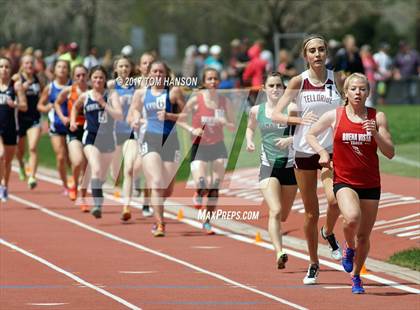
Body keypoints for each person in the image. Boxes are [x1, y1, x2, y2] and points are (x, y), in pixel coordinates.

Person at [306, 73, 394, 294]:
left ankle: (356, 277)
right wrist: (322, 154)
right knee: (352, 218)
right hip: (344, 180)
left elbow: (390, 152)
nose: (358, 93)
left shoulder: (377, 117)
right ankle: (349, 248)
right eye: (353, 88)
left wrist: (375, 134)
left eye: (362, 89)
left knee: (364, 235)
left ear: (368, 92)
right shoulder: (335, 115)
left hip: (371, 183)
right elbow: (311, 134)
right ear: (346, 92)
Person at [272, 34, 343, 285]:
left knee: (335, 201)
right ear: (305, 56)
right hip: (304, 151)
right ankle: (314, 263)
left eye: (321, 49)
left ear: (326, 53)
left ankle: (329, 232)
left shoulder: (337, 79)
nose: (317, 54)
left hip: (331, 150)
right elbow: (276, 113)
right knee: (311, 213)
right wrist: (299, 120)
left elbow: (347, 109)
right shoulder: (298, 82)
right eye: (312, 51)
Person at [128, 60, 186, 237]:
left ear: (166, 74)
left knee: (166, 189)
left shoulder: (173, 92)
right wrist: (136, 118)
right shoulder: (141, 93)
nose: (158, 75)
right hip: (150, 139)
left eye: (161, 72)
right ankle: (159, 223)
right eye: (154, 72)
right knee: (156, 183)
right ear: (149, 74)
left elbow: (186, 115)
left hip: (170, 141)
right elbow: (133, 111)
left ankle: (156, 204)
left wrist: (169, 115)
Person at [246, 72, 298, 268]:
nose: (276, 89)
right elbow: (250, 128)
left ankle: (279, 245)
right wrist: (250, 141)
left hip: (290, 167)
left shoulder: (292, 109)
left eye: (279, 86)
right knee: (275, 211)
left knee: (283, 214)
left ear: (284, 89)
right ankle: (279, 252)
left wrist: (290, 139)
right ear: (264, 89)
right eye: (272, 86)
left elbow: (306, 131)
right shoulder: (256, 110)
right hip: (268, 167)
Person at [181, 68, 235, 234]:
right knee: (202, 183)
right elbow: (180, 119)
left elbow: (233, 127)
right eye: (209, 79)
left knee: (215, 187)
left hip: (218, 146)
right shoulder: (195, 100)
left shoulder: (225, 102)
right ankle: (198, 191)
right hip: (200, 146)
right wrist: (192, 130)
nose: (213, 82)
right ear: (204, 82)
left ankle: (207, 221)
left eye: (215, 79)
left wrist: (225, 122)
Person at [70, 66, 123, 218]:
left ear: (105, 79)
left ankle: (98, 194)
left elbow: (119, 116)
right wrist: (73, 121)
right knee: (96, 169)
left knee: (103, 176)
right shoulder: (86, 96)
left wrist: (104, 104)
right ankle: (97, 205)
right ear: (90, 79)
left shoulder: (112, 96)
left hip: (108, 139)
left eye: (101, 77)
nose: (98, 80)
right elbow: (74, 107)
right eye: (95, 77)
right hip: (91, 137)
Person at [55, 64, 90, 211]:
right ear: (73, 77)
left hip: (90, 131)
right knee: (77, 162)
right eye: (78, 76)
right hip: (74, 130)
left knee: (87, 167)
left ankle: (82, 198)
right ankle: (74, 184)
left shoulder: (93, 91)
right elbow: (57, 103)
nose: (81, 78)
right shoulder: (69, 90)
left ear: (87, 76)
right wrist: (63, 118)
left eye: (83, 75)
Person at [108, 56, 138, 221]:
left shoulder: (137, 85)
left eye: (127, 66)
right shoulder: (110, 86)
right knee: (115, 174)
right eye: (121, 66)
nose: (124, 69)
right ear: (116, 69)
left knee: (129, 169)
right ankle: (116, 181)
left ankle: (126, 206)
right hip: (114, 133)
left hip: (130, 132)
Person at [37, 59, 72, 196]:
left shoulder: (73, 86)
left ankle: (74, 181)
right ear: (54, 70)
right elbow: (40, 105)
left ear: (68, 70)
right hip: (56, 126)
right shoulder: (50, 87)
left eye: (64, 67)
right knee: (61, 156)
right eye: (59, 67)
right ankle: (65, 185)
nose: (62, 69)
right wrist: (47, 107)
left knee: (72, 159)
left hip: (71, 126)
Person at [12, 55, 43, 189]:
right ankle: (21, 164)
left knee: (32, 147)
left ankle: (32, 176)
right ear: (22, 65)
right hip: (19, 119)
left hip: (35, 118)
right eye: (26, 63)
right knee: (19, 150)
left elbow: (43, 96)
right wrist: (19, 89)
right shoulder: (16, 78)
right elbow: (8, 92)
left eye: (31, 63)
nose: (29, 65)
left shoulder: (38, 79)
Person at [0, 57, 27, 201]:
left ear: (11, 70)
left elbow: (24, 106)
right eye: (1, 66)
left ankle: (5, 185)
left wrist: (14, 104)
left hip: (11, 127)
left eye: (6, 67)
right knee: (0, 155)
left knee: (7, 162)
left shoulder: (15, 86)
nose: (4, 69)